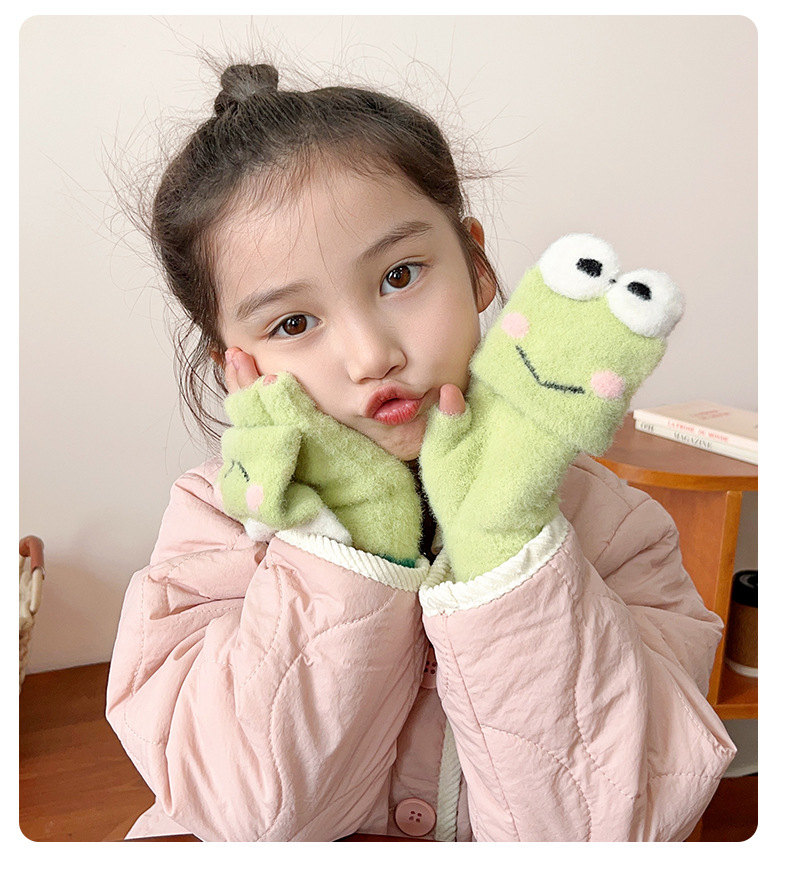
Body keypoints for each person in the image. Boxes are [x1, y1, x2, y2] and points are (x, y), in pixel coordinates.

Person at [106, 62, 736, 842]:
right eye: (293, 324)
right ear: (235, 365)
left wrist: (506, 546)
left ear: (476, 265)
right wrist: (348, 533)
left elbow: (604, 829)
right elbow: (257, 816)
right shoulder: (214, 525)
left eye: (399, 276)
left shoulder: (618, 527)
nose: (371, 354)